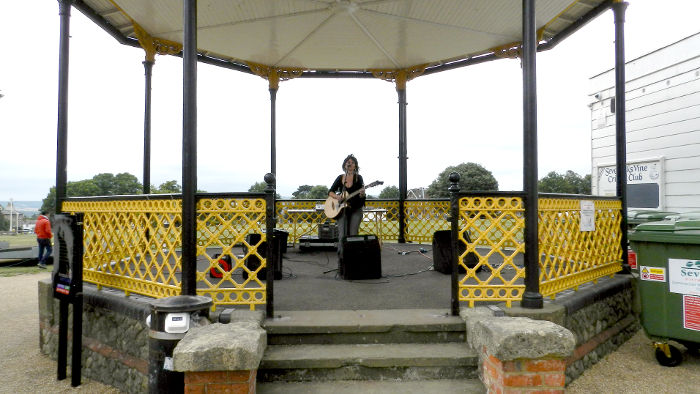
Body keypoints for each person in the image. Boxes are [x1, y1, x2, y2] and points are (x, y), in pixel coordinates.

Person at [328, 154, 366, 262]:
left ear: (355, 166)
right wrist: (337, 197)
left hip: (356, 209)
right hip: (342, 210)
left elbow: (362, 196)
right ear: (345, 165)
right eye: (348, 162)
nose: (349, 163)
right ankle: (342, 259)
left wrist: (362, 194)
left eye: (352, 162)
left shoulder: (359, 178)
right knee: (342, 234)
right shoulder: (341, 178)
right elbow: (330, 192)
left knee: (353, 233)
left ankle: (353, 259)